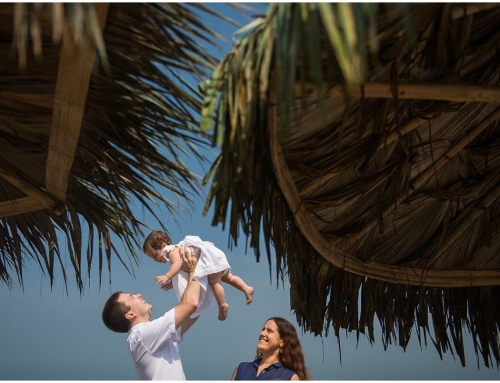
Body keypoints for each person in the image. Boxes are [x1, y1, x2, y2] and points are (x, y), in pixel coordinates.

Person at [102, 246, 201, 380]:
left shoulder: (152, 336)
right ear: (130, 315)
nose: (138, 295)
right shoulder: (142, 335)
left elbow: (193, 311)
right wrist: (193, 270)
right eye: (132, 297)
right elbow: (191, 304)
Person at [143, 230, 254, 321]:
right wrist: (170, 284)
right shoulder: (177, 250)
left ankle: (222, 305)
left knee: (215, 282)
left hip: (207, 261)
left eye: (154, 255)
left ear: (163, 245)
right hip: (213, 258)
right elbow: (181, 273)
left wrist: (167, 276)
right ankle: (246, 288)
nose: (156, 260)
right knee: (229, 277)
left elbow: (177, 265)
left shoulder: (171, 251)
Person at [231, 317, 311, 380]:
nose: (262, 333)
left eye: (269, 331)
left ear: (282, 342)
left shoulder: (290, 377)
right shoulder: (241, 368)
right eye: (263, 329)